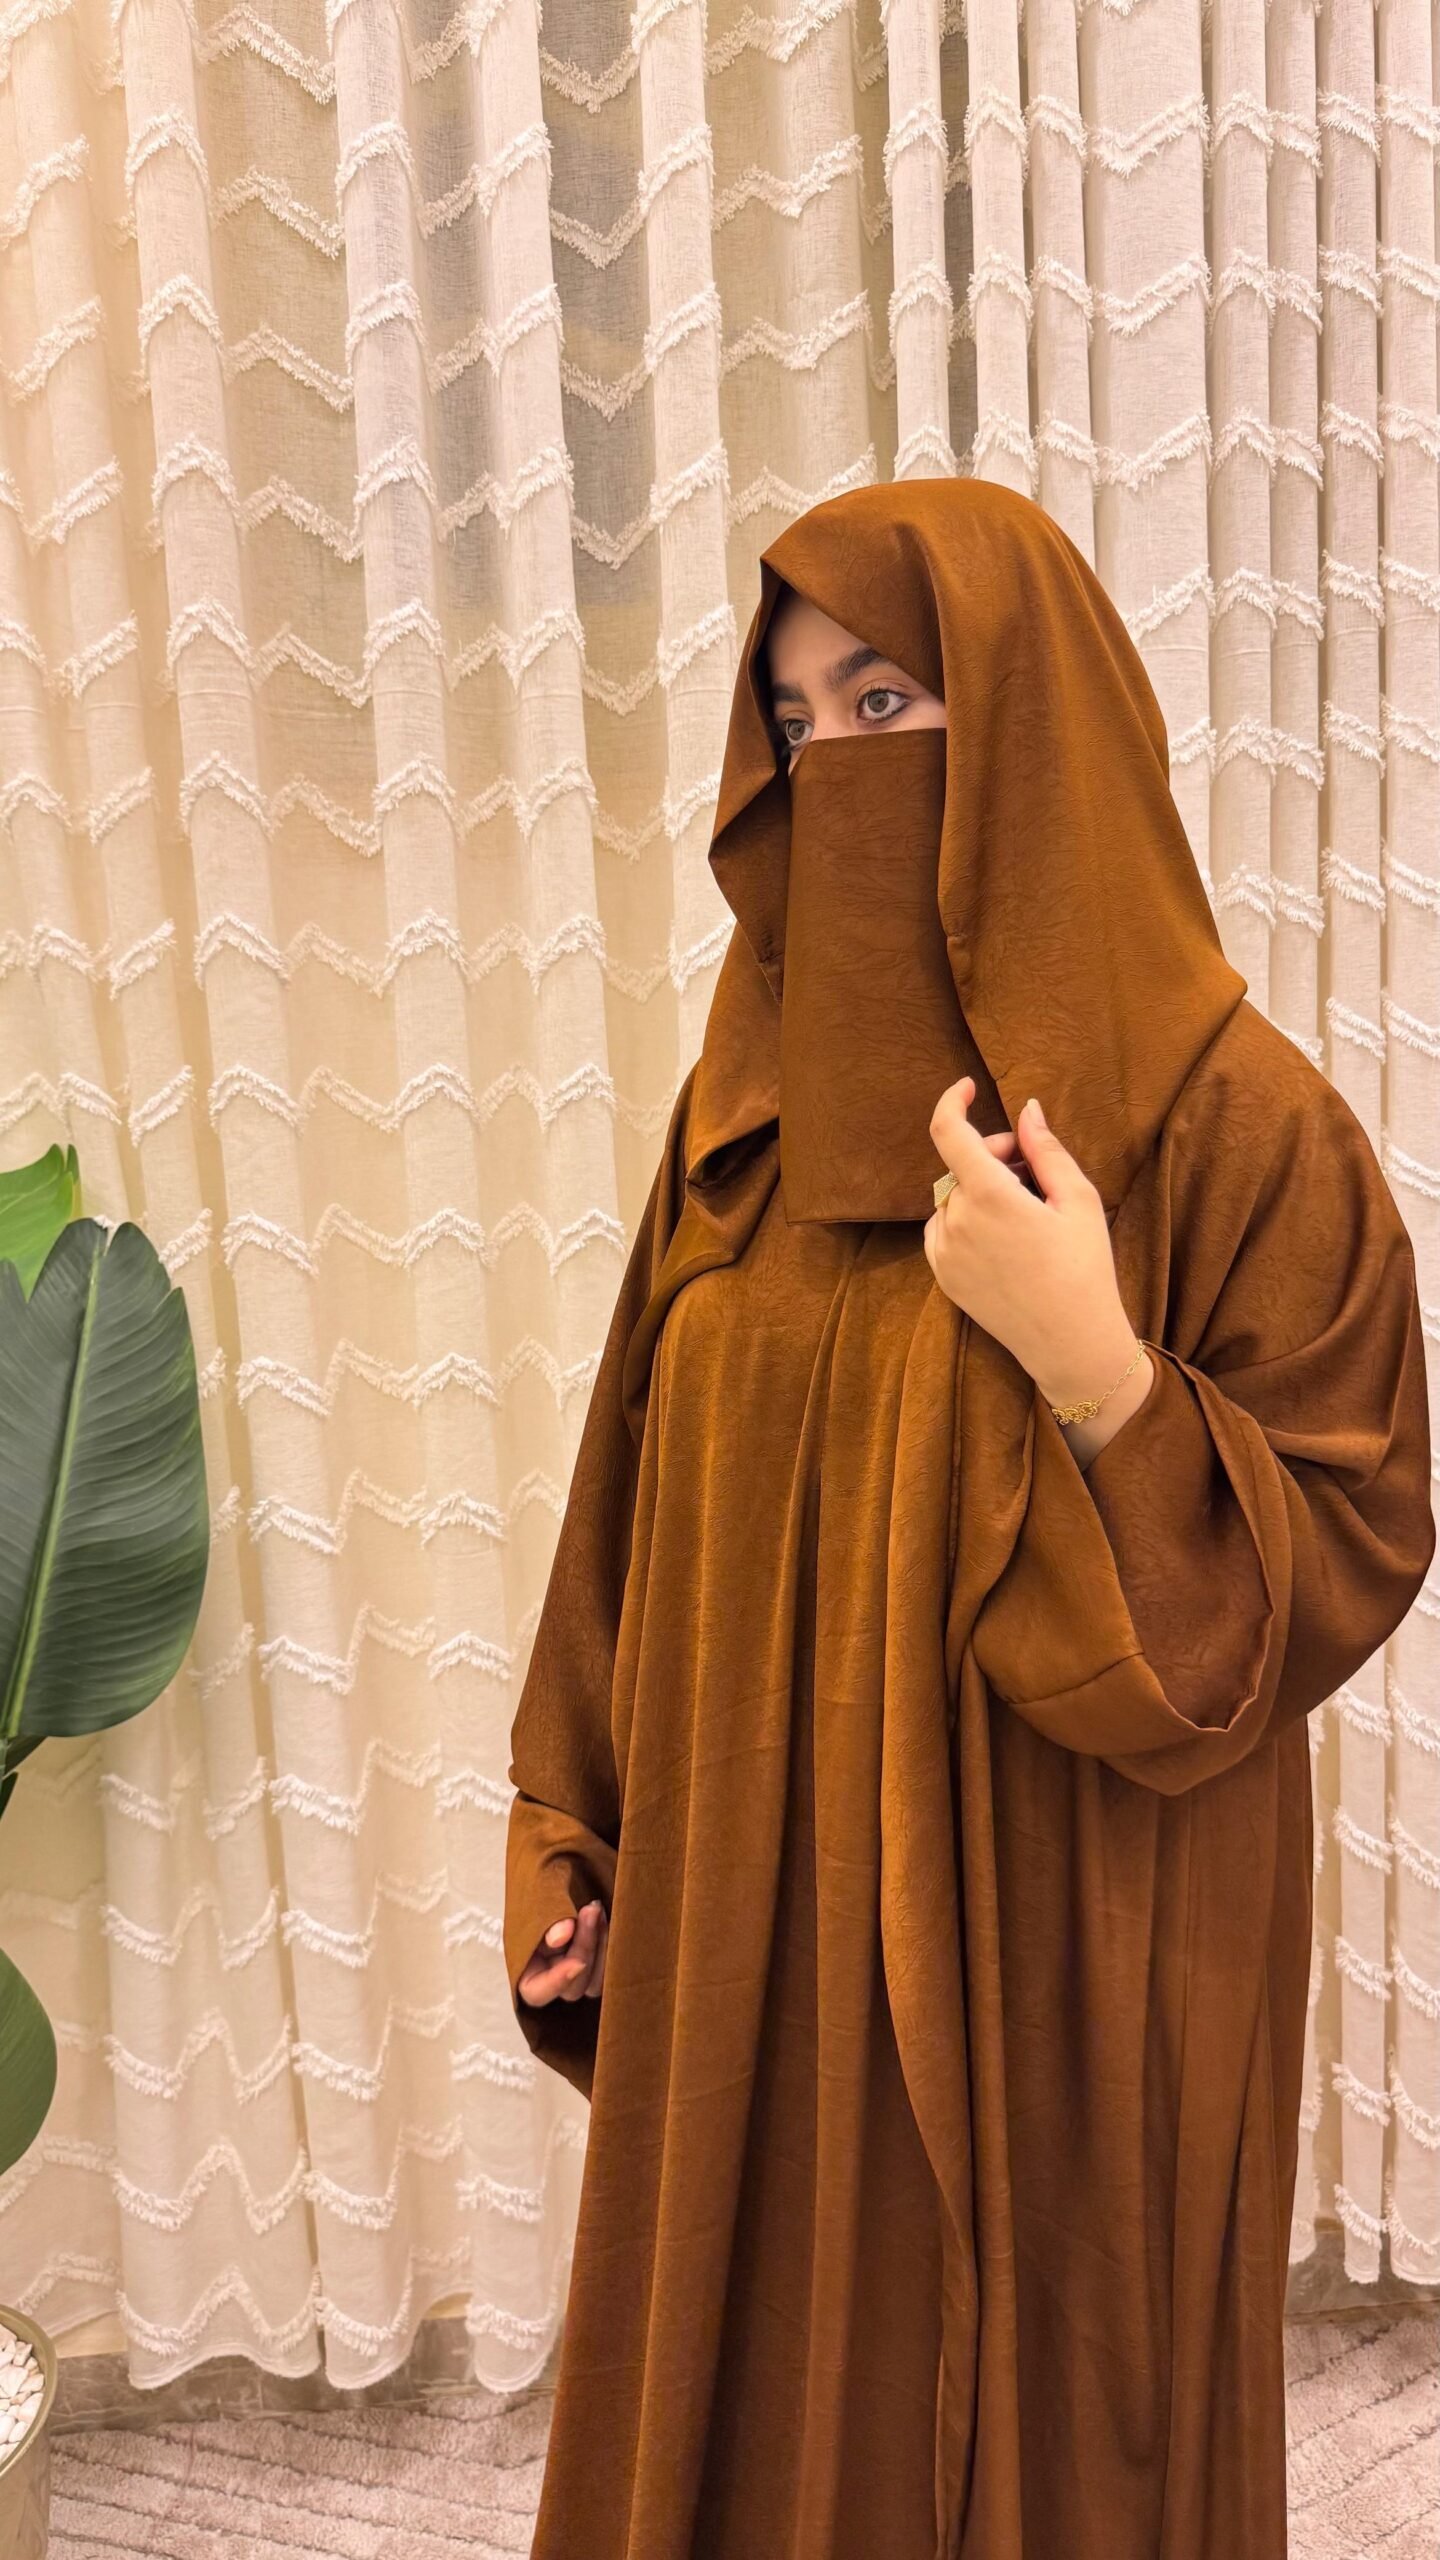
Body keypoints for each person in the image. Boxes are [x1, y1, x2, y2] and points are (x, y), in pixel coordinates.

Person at [502, 477, 1436, 2560]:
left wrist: (1095, 1363)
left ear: (1027, 720)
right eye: (798, 721)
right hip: (753, 1929)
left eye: (888, 698)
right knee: (757, 2389)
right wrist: (585, 1832)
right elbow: (630, 1512)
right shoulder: (739, 1129)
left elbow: (1348, 1544)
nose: (837, 759)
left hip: (1070, 1949)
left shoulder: (1240, 1126)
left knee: (1051, 2417)